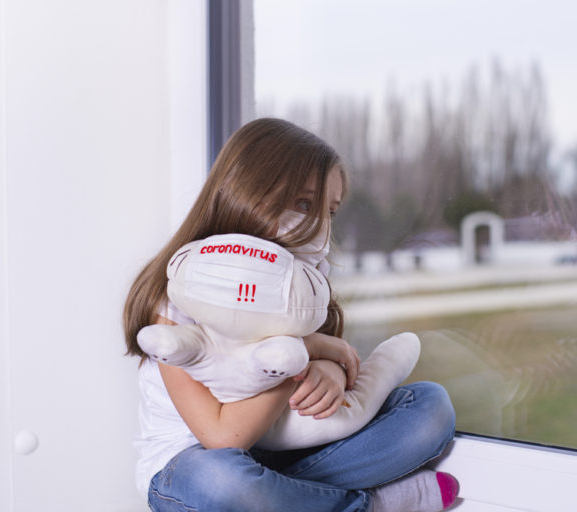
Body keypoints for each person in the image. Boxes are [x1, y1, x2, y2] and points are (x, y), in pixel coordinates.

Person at [123, 118, 458, 512]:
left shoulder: (302, 289)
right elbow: (223, 436)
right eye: (303, 204)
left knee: (429, 407)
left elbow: (332, 375)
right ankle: (373, 506)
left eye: (329, 211)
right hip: (195, 466)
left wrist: (331, 373)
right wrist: (302, 353)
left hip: (284, 460)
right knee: (220, 482)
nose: (318, 225)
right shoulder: (178, 296)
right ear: (248, 193)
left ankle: (294, 501)